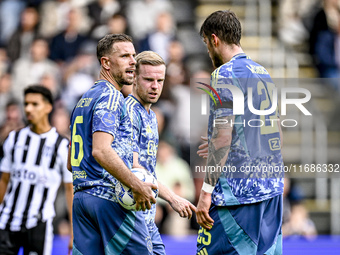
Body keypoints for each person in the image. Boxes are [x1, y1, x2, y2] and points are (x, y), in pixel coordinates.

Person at [196, 10, 284, 255]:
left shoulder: (223, 74)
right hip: (271, 190)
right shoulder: (262, 73)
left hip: (238, 196)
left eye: (206, 44)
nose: (207, 51)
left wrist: (206, 193)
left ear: (214, 40)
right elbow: (275, 131)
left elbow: (223, 136)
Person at [69, 34, 158, 255]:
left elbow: (71, 162)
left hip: (82, 199)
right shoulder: (112, 97)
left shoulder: (85, 99)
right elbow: (101, 150)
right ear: (106, 63)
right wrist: (137, 186)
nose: (133, 62)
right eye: (125, 56)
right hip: (109, 200)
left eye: (134, 56)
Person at [125, 51, 196, 251]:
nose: (155, 86)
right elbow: (135, 168)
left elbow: (149, 170)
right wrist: (172, 197)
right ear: (134, 79)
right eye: (148, 79)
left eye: (160, 80)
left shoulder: (151, 117)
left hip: (146, 213)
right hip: (129, 213)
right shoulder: (128, 113)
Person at [0, 85, 73, 255]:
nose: (28, 109)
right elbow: (4, 180)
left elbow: (70, 190)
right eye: (26, 104)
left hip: (39, 225)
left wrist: (73, 231)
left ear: (48, 107)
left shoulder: (62, 145)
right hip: (7, 221)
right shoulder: (14, 138)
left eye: (34, 104)